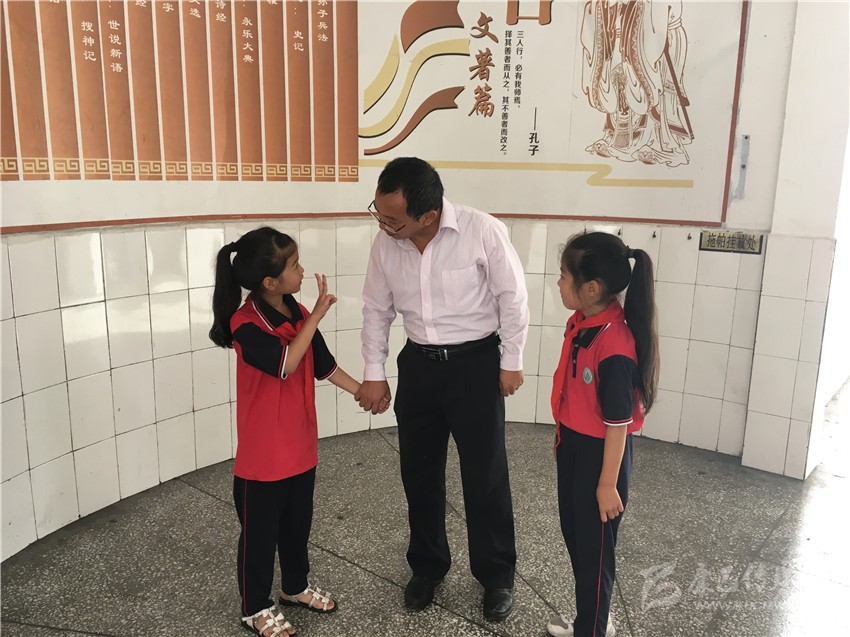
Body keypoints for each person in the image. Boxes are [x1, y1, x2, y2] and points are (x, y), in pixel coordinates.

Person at [356, 157, 530, 622]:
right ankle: (427, 566)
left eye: (392, 219)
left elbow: (512, 297)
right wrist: (374, 370)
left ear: (429, 215)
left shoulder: (481, 230)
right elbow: (376, 308)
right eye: (378, 212)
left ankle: (496, 575)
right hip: (419, 366)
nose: (383, 225)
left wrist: (511, 361)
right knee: (418, 472)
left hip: (476, 367)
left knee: (484, 475)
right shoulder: (387, 243)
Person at [209, 227, 363, 637]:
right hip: (263, 458)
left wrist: (362, 392)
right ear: (269, 282)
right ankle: (255, 608)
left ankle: (295, 587)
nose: (302, 271)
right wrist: (315, 317)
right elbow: (286, 364)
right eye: (294, 266)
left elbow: (323, 365)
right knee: (259, 538)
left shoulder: (296, 311)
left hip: (300, 446)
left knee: (297, 528)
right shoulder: (244, 324)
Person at [546, 232, 659, 637]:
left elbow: (618, 424)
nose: (559, 282)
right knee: (579, 541)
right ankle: (594, 618)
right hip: (575, 446)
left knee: (595, 556)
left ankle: (592, 629)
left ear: (590, 288)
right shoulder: (584, 322)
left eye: (564, 275)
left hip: (602, 457)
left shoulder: (614, 345)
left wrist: (607, 484)